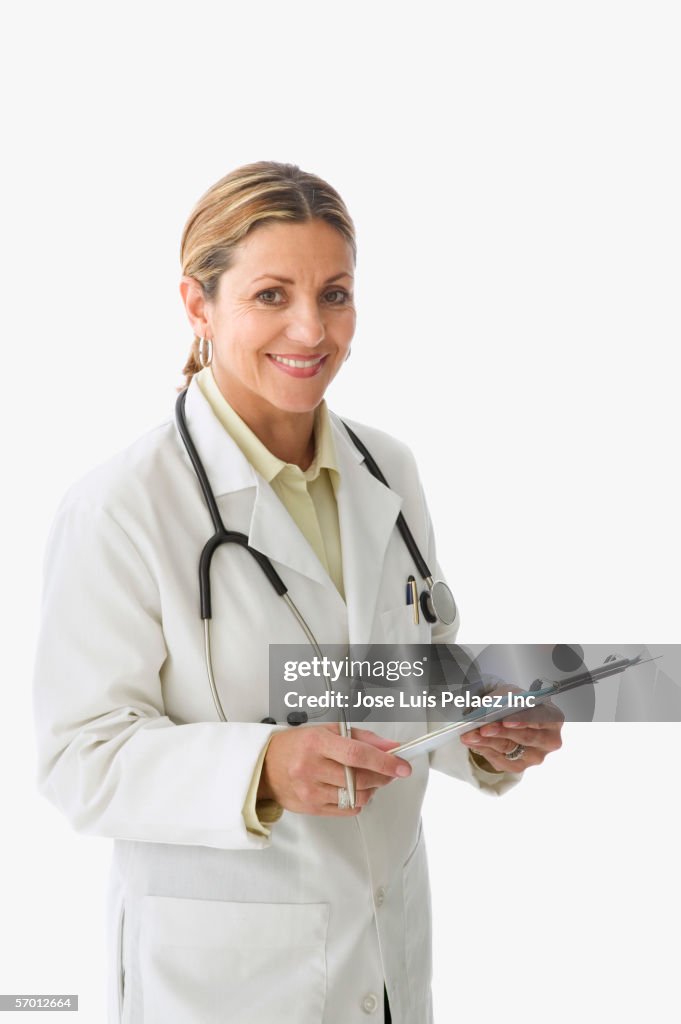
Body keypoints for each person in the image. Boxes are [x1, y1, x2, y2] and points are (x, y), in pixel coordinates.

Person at [33, 161, 564, 1024]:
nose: (311, 329)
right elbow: (78, 760)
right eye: (271, 295)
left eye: (336, 293)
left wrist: (481, 725)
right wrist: (263, 767)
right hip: (222, 982)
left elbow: (411, 672)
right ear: (198, 306)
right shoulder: (121, 505)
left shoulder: (385, 468)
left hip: (386, 959)